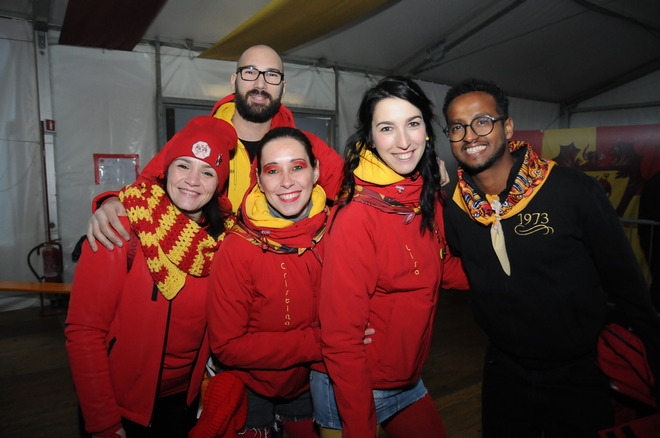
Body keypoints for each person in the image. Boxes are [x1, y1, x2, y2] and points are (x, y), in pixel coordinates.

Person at [441, 78, 660, 437]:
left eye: (482, 122)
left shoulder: (573, 190)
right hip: (503, 372)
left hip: (579, 373)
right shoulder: (454, 207)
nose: (470, 135)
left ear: (507, 127)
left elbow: (627, 284)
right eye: (457, 127)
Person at [65, 116, 238, 438]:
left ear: (218, 184)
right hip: (120, 406)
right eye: (183, 165)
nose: (193, 180)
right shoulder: (121, 227)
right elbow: (84, 332)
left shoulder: (225, 242)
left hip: (185, 403)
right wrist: (103, 422)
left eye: (207, 172)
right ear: (166, 169)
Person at [316, 76, 469, 438]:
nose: (403, 141)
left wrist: (514, 270)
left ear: (427, 130)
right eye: (387, 128)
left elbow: (443, 268)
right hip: (354, 387)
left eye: (412, 124)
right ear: (370, 138)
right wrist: (359, 428)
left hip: (408, 378)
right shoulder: (357, 217)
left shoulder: (423, 196)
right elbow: (341, 339)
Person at [86, 44, 344, 252]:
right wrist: (111, 201)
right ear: (234, 81)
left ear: (283, 88)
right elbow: (148, 184)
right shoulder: (197, 138)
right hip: (205, 266)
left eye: (272, 75)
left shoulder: (305, 146)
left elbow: (353, 191)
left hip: (277, 269)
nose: (261, 84)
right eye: (250, 72)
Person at [206, 127, 327, 437]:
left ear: (315, 171)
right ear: (259, 180)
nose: (286, 181)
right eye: (273, 171)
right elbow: (227, 345)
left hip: (312, 382)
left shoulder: (338, 230)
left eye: (297, 167)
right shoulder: (237, 248)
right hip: (251, 389)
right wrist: (321, 341)